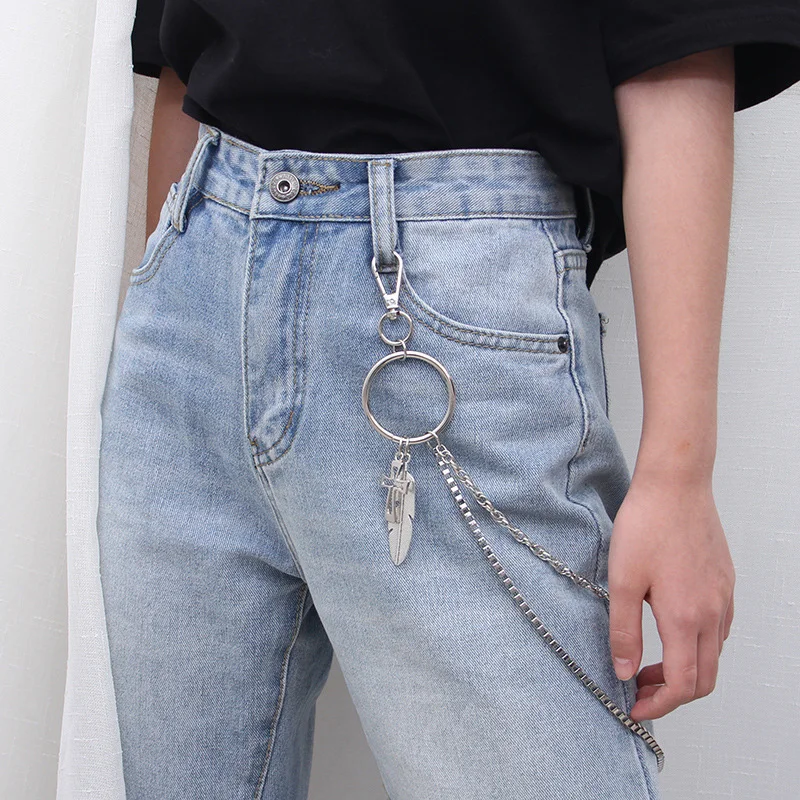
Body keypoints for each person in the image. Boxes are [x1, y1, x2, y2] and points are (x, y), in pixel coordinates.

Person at [96, 2, 800, 798]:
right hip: (194, 284)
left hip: (455, 303)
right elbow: (181, 55)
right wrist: (161, 290)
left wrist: (679, 472)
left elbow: (679, 38)